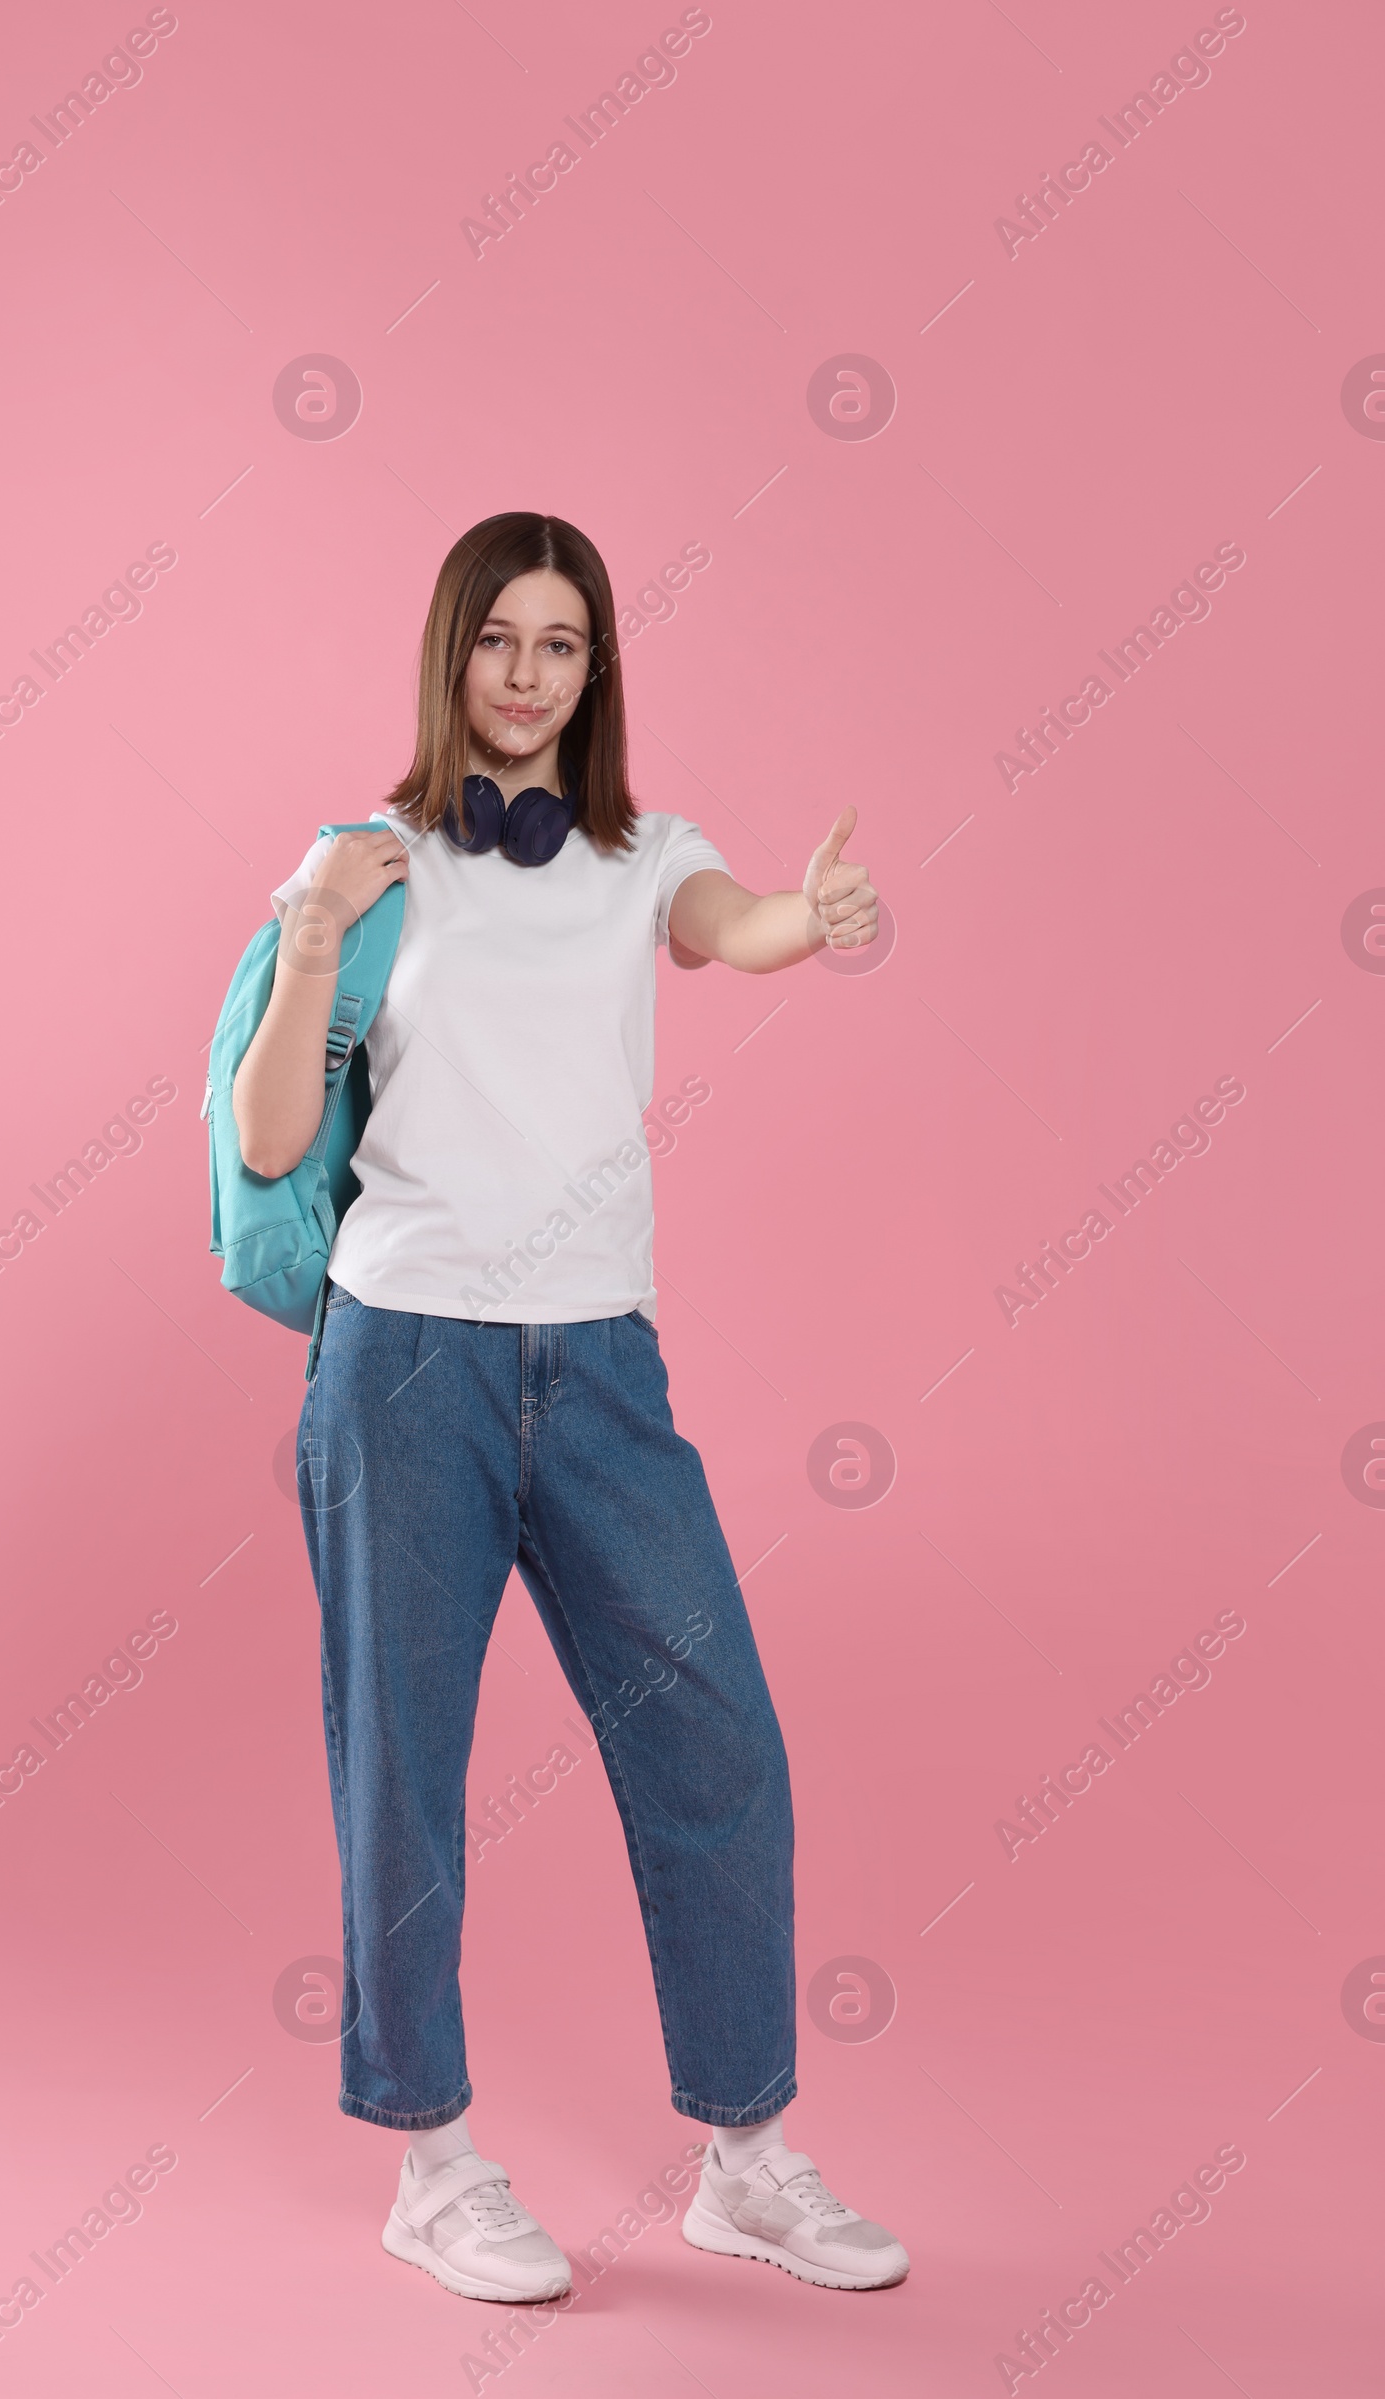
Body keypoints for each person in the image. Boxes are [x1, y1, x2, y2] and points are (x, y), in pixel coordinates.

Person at [233, 512, 908, 2303]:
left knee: (717, 1741)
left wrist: (809, 921)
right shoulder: (362, 866)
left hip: (601, 1364)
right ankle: (432, 2162)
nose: (528, 676)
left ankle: (745, 2158)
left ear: (597, 670)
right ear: (449, 652)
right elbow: (271, 1144)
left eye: (563, 645)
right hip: (407, 1364)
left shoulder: (641, 856)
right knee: (404, 1771)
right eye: (500, 641)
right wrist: (310, 947)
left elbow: (734, 925)